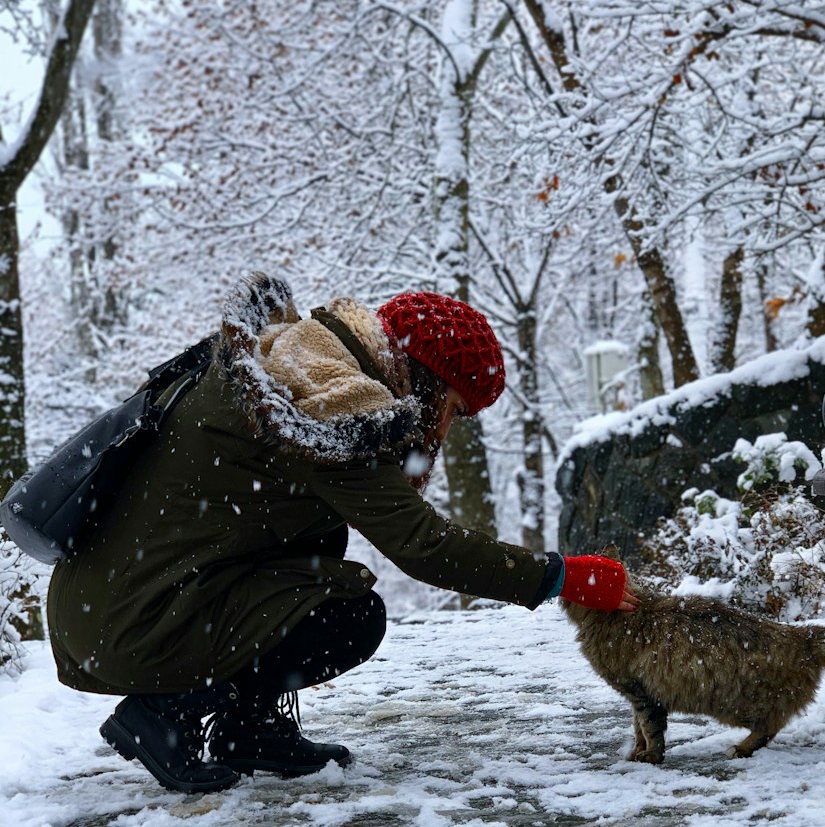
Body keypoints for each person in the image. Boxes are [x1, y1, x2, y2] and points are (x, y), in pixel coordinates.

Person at [46, 272, 637, 794]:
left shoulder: (298, 363)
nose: (447, 432)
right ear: (429, 382)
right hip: (135, 617)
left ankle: (248, 730)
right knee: (348, 616)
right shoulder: (330, 405)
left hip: (113, 603)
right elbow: (425, 547)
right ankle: (166, 715)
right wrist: (560, 575)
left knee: (322, 562)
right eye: (455, 409)